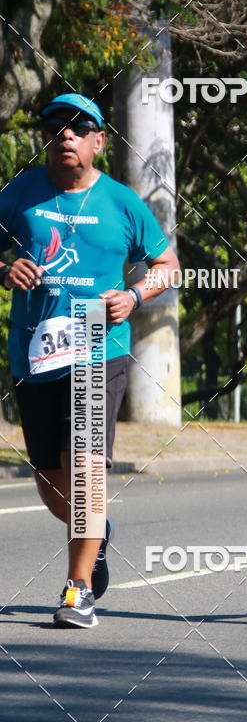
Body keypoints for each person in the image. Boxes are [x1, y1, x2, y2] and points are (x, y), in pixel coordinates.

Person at [0, 93, 179, 628]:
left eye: (80, 128)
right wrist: (5, 268)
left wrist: (136, 295)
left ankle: (78, 589)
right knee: (53, 484)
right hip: (34, 356)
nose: (66, 134)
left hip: (99, 354)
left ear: (100, 140)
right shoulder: (19, 194)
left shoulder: (123, 204)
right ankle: (98, 532)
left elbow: (166, 264)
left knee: (85, 470)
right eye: (56, 126)